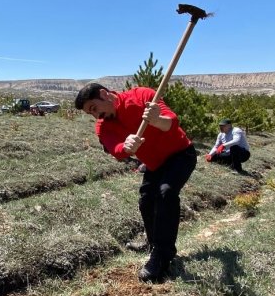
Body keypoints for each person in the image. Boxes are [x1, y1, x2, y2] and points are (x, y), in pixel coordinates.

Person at [75, 83, 197, 282]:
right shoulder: (103, 126)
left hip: (180, 155)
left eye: (94, 108)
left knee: (166, 193)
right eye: (91, 113)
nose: (96, 116)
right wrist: (126, 147)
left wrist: (156, 120)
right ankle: (153, 243)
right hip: (155, 164)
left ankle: (162, 256)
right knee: (146, 201)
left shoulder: (143, 96)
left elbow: (171, 123)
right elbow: (116, 150)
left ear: (105, 95)